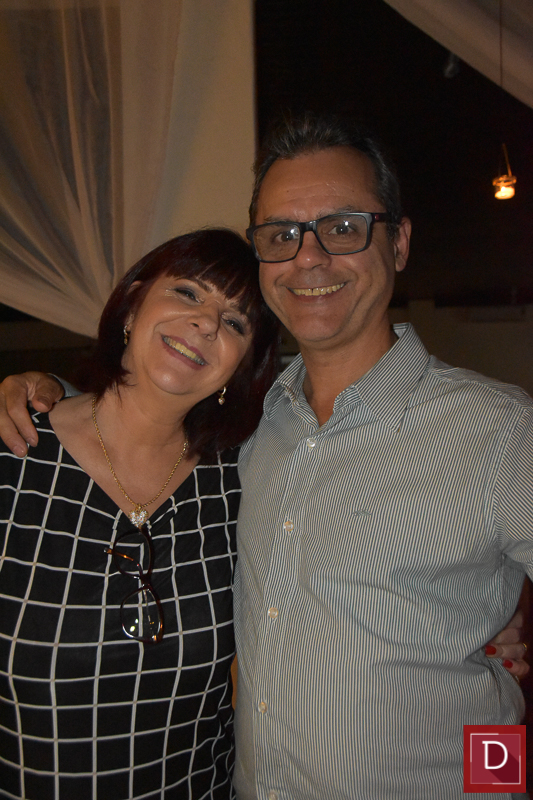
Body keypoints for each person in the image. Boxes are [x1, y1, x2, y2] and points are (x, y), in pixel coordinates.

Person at [0, 115, 530, 799]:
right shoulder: (246, 441)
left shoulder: (498, 430)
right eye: (281, 235)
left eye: (343, 227)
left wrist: (502, 769)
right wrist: (42, 392)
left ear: (397, 243)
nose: (308, 257)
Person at [0, 228, 279, 800]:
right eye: (187, 292)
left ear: (241, 367)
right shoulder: (15, 452)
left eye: (235, 322)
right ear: (132, 306)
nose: (206, 322)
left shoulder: (241, 484)